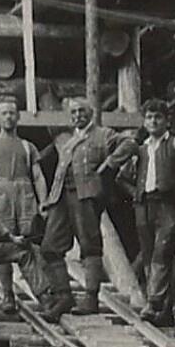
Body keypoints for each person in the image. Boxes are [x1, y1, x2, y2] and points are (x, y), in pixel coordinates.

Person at [44, 92, 112, 312]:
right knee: (50, 246)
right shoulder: (69, 141)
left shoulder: (103, 134)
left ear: (91, 113)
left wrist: (108, 165)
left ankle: (91, 299)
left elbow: (128, 145)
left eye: (82, 111)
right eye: (73, 112)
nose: (77, 115)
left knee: (89, 246)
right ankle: (64, 295)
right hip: (61, 197)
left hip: (84, 196)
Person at [0, 87, 43, 314]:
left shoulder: (27, 146)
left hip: (25, 197)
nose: (8, 117)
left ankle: (43, 294)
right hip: (1, 198)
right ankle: (8, 294)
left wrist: (43, 202)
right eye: (4, 113)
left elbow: (38, 176)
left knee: (29, 244)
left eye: (12, 113)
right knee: (5, 245)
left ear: (18, 116)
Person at [133, 90, 175, 325]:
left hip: (167, 203)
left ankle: (154, 302)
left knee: (162, 251)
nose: (153, 121)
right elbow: (123, 176)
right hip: (144, 204)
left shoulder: (172, 142)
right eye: (149, 117)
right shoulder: (141, 148)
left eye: (157, 117)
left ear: (166, 120)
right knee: (147, 253)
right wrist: (136, 193)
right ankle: (159, 308)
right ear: (144, 121)